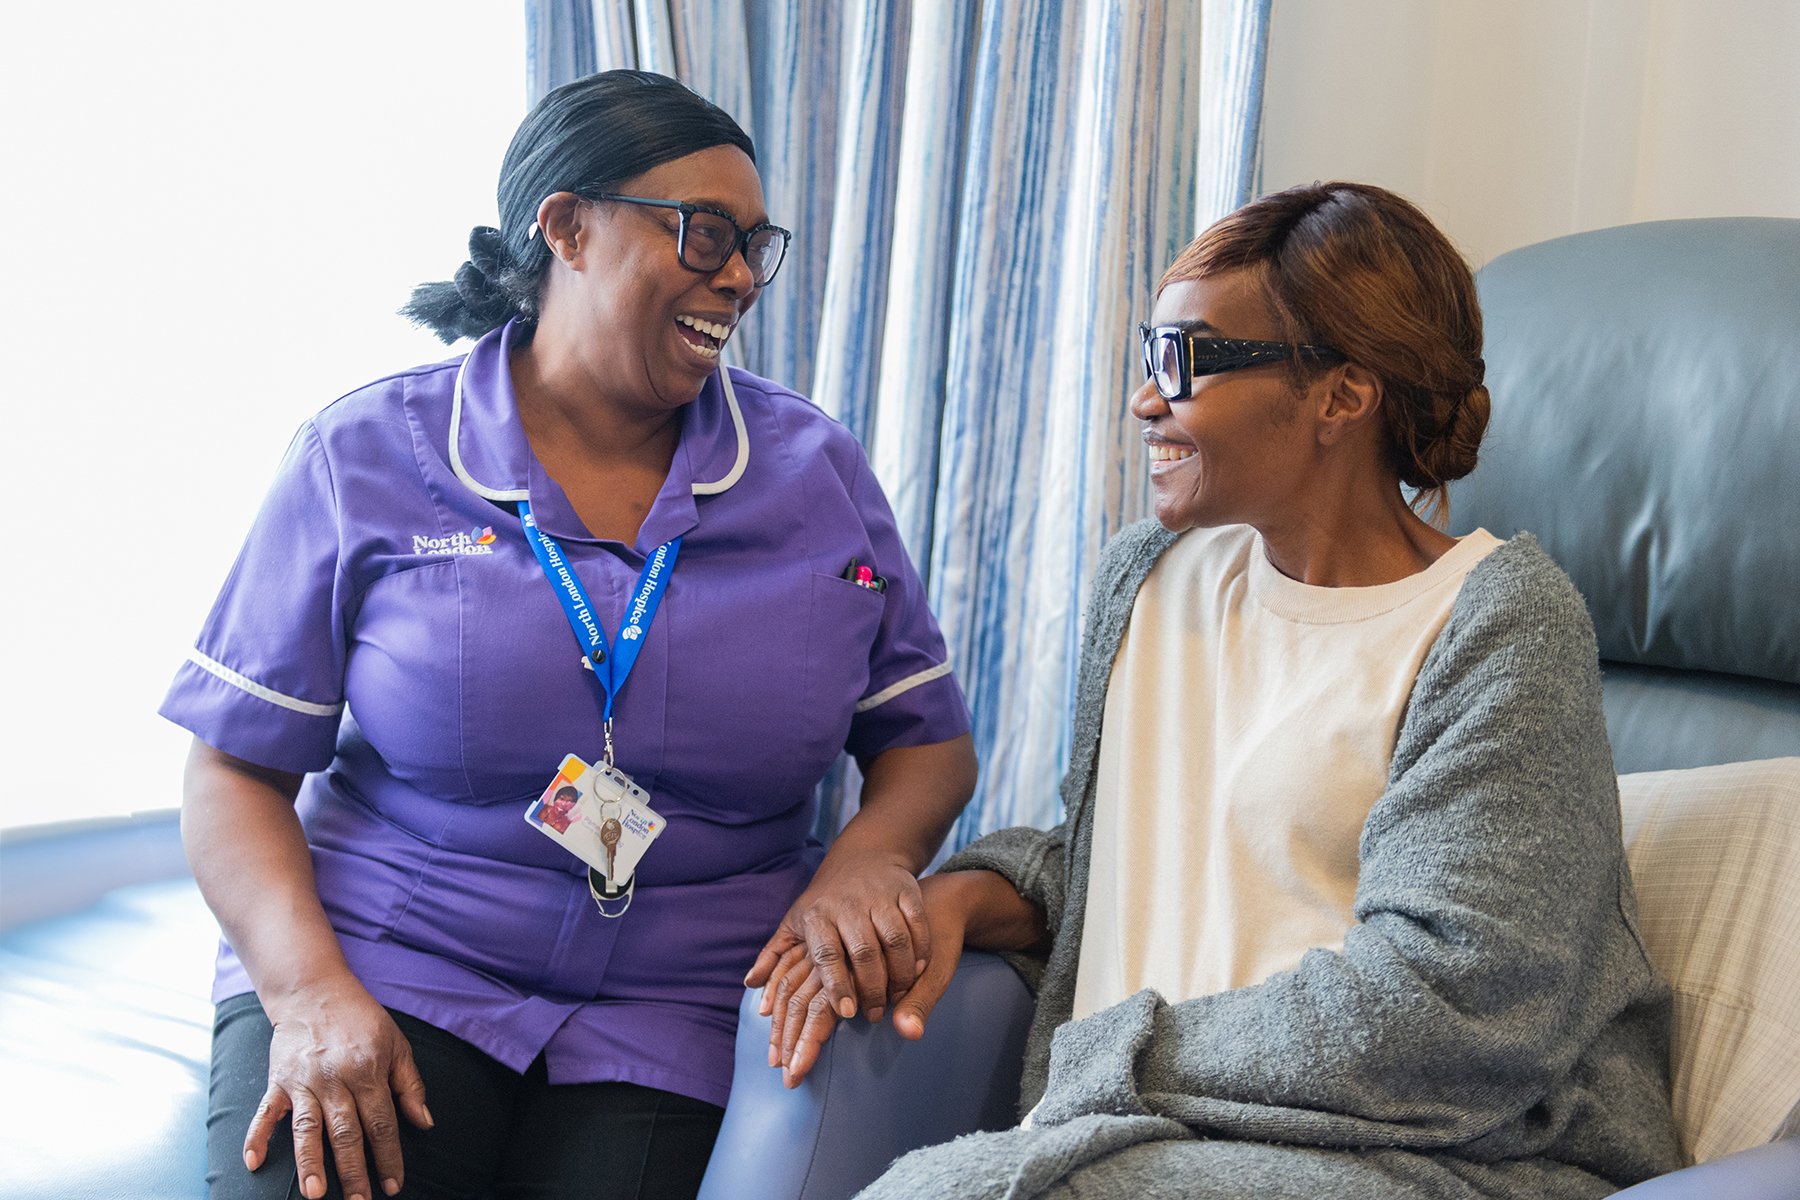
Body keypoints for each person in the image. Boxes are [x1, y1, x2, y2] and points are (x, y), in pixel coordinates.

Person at [763, 182, 1684, 1199]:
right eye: (1147, 357)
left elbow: (1457, 1007)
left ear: (1342, 393)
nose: (1144, 400)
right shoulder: (1147, 581)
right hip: (1175, 1139)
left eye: (1185, 361)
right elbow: (1137, 862)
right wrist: (966, 897)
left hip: (1446, 1161)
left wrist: (1108, 1054)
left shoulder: (1498, 622)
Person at [162, 69, 975, 1200]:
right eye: (702, 235)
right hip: (392, 965)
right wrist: (305, 994)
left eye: (754, 243)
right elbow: (232, 768)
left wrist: (867, 860)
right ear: (568, 228)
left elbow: (926, 742)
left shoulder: (815, 473)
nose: (738, 277)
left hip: (675, 1007)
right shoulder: (370, 455)